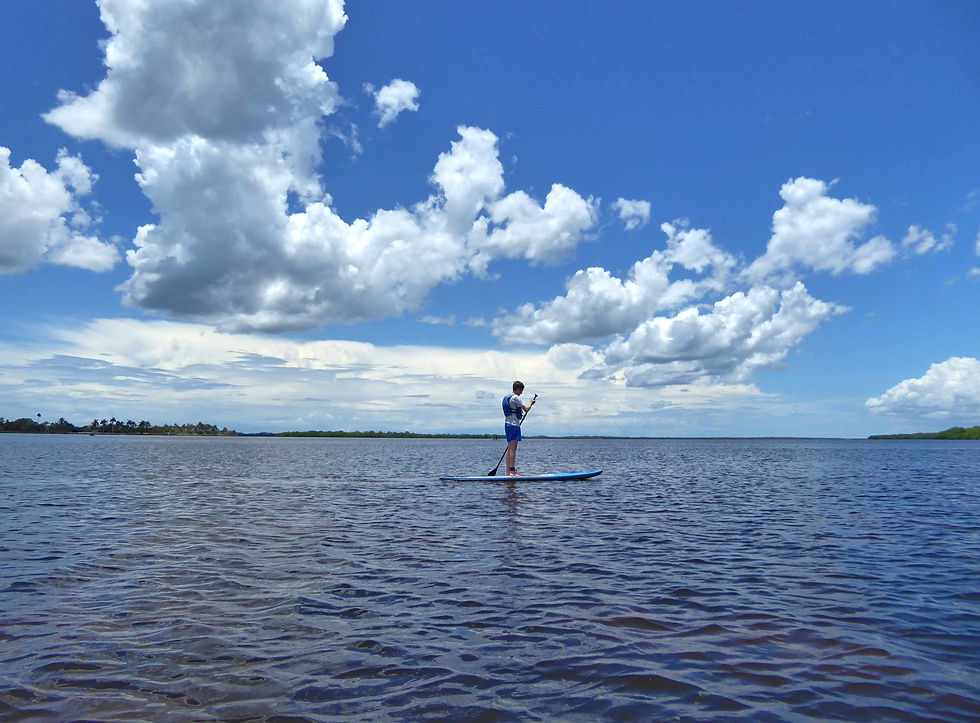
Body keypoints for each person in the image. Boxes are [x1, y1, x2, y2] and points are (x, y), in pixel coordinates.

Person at [502, 381, 536, 476]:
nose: (521, 393)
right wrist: (531, 403)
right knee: (513, 448)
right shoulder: (516, 398)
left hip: (507, 424)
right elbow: (526, 409)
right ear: (518, 389)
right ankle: (512, 472)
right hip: (514, 425)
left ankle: (507, 472)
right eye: (521, 391)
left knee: (509, 448)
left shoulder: (506, 397)